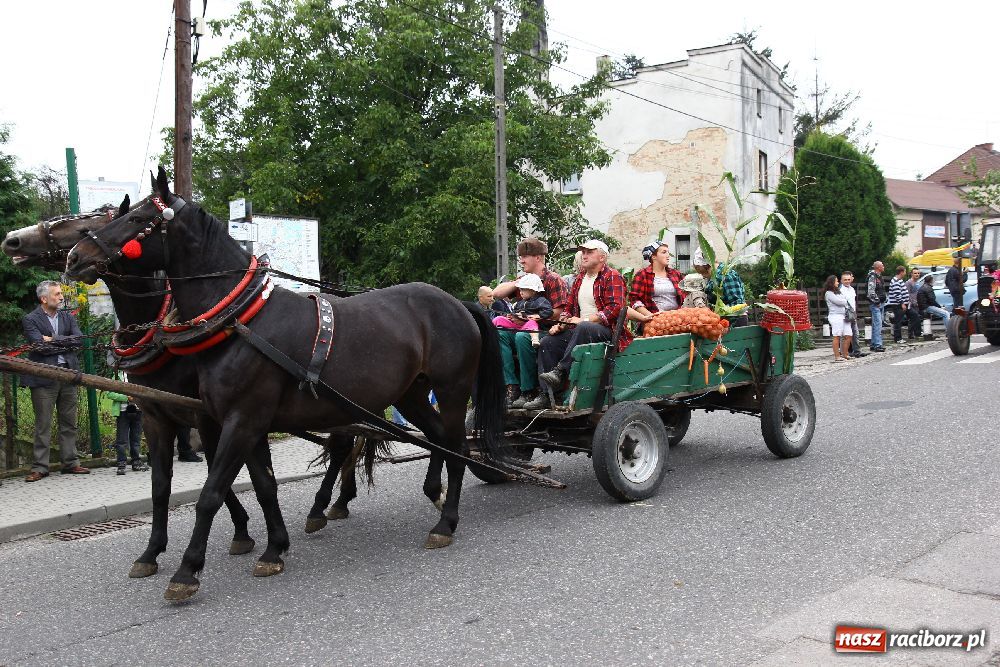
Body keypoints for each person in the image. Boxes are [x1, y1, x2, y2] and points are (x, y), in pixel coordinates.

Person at [528, 239, 629, 409]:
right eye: (583, 252)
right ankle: (547, 394)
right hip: (581, 331)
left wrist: (584, 320)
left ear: (602, 257)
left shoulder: (612, 276)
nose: (584, 255)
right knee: (548, 342)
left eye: (590, 252)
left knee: (584, 327)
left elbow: (615, 309)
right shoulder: (580, 278)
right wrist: (562, 323)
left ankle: (560, 372)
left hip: (606, 332)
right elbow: (569, 308)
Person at [20, 280, 89, 481]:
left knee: (69, 422)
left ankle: (71, 463)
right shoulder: (31, 319)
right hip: (44, 378)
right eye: (57, 294)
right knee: (43, 424)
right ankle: (40, 467)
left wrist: (53, 338)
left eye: (61, 293)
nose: (61, 297)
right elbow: (40, 347)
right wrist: (63, 342)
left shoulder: (67, 317)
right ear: (44, 298)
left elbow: (79, 340)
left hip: (68, 375)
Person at [493, 237, 569, 409]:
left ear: (538, 257)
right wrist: (519, 282)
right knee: (499, 333)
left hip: (547, 331)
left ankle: (528, 390)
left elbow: (559, 312)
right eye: (520, 257)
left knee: (522, 337)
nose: (521, 260)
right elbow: (496, 294)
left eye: (525, 256)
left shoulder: (554, 279)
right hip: (523, 328)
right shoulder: (523, 280)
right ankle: (511, 386)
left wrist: (531, 317)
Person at [628, 240, 687, 330]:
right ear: (654, 256)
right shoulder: (642, 274)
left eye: (668, 252)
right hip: (654, 321)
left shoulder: (675, 274)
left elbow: (686, 295)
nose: (668, 255)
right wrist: (651, 316)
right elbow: (635, 300)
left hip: (677, 319)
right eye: (664, 252)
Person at [493, 273, 553, 350]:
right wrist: (511, 316)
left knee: (532, 322)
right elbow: (514, 311)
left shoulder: (541, 300)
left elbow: (549, 310)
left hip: (528, 326)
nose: (521, 292)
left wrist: (539, 316)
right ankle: (490, 331)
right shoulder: (520, 302)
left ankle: (535, 339)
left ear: (533, 291)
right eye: (520, 289)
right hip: (517, 326)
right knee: (498, 318)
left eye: (523, 290)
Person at [693, 250, 748, 327]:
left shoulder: (727, 275)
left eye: (702, 272)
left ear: (706, 266)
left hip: (734, 321)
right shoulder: (713, 277)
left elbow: (737, 303)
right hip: (721, 321)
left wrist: (719, 313)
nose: (702, 276)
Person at [106, 378, 148, 475]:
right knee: (121, 440)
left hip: (138, 411)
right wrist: (126, 397)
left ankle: (136, 461)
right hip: (123, 413)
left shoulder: (139, 376)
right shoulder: (117, 376)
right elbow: (110, 394)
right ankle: (121, 463)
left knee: (136, 439)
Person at [823, 275, 852, 362]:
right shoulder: (828, 293)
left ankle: (845, 354)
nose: (838, 283)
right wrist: (844, 301)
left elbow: (844, 300)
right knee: (837, 335)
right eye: (836, 281)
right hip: (835, 316)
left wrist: (844, 301)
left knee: (848, 334)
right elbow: (839, 302)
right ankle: (837, 356)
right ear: (832, 282)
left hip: (844, 316)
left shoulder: (838, 291)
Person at [840, 271, 866, 358]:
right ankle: (844, 352)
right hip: (845, 315)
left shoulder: (851, 289)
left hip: (852, 314)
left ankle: (857, 351)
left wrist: (855, 312)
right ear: (841, 280)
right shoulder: (840, 290)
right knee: (845, 335)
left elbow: (853, 301)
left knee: (855, 333)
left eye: (848, 279)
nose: (847, 281)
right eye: (845, 280)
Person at [866, 260, 887, 352]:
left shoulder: (879, 276)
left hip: (880, 303)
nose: (884, 267)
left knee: (877, 324)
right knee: (878, 324)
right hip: (876, 304)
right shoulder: (873, 276)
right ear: (878, 267)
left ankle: (874, 344)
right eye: (882, 265)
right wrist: (877, 301)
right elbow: (871, 291)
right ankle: (878, 344)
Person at [886, 265, 909, 344]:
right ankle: (898, 338)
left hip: (900, 304)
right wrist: (902, 303)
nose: (905, 273)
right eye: (905, 271)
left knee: (899, 320)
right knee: (898, 321)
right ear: (901, 272)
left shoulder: (899, 280)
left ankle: (898, 337)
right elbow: (897, 294)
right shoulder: (895, 281)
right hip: (897, 304)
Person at [905, 268, 923, 339]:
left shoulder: (918, 282)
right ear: (911, 274)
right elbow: (907, 294)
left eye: (918, 273)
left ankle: (916, 333)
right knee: (913, 318)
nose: (917, 275)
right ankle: (911, 334)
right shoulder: (908, 283)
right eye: (915, 273)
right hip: (911, 304)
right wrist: (911, 302)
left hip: (917, 303)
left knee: (916, 318)